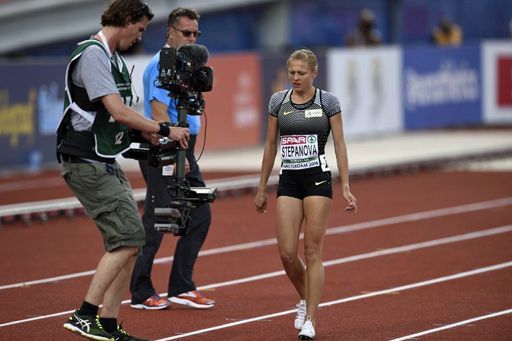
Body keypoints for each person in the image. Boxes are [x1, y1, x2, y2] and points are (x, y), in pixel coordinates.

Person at [56, 1, 190, 340]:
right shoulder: (93, 55)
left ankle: (109, 324)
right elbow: (116, 109)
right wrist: (162, 130)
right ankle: (85, 314)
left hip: (102, 160)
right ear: (127, 20)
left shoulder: (113, 59)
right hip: (85, 161)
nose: (141, 36)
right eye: (141, 28)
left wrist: (151, 136)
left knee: (132, 240)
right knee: (129, 238)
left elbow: (114, 120)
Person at [254, 49, 357, 340]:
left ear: (314, 73)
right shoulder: (278, 101)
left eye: (301, 73)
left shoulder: (328, 102)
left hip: (317, 179)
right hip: (289, 179)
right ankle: (306, 297)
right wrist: (261, 187)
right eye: (292, 73)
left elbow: (339, 144)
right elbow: (270, 146)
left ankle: (311, 318)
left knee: (313, 251)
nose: (295, 78)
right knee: (287, 253)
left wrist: (346, 185)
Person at [129, 7, 214, 311]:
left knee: (200, 214)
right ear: (170, 33)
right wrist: (176, 151)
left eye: (196, 34)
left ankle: (181, 286)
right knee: (158, 218)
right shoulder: (160, 66)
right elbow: (159, 112)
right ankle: (140, 291)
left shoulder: (185, 65)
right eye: (186, 33)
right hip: (163, 146)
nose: (192, 39)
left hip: (184, 147)